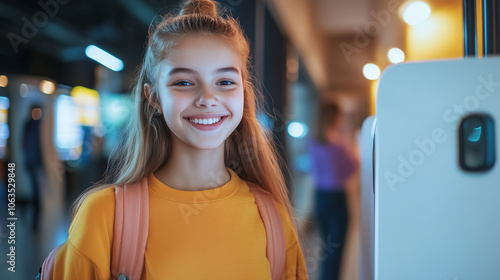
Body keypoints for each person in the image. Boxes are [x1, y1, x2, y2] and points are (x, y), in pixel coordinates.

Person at [52, 0, 307, 279]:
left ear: (243, 94)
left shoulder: (273, 217)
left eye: (224, 82)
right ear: (154, 98)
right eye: (184, 82)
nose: (207, 99)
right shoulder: (104, 216)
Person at [307, 102, 358, 280]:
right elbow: (353, 167)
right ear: (333, 116)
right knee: (336, 251)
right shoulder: (338, 144)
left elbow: (312, 169)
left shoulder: (312, 141)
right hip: (336, 198)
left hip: (320, 197)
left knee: (327, 249)